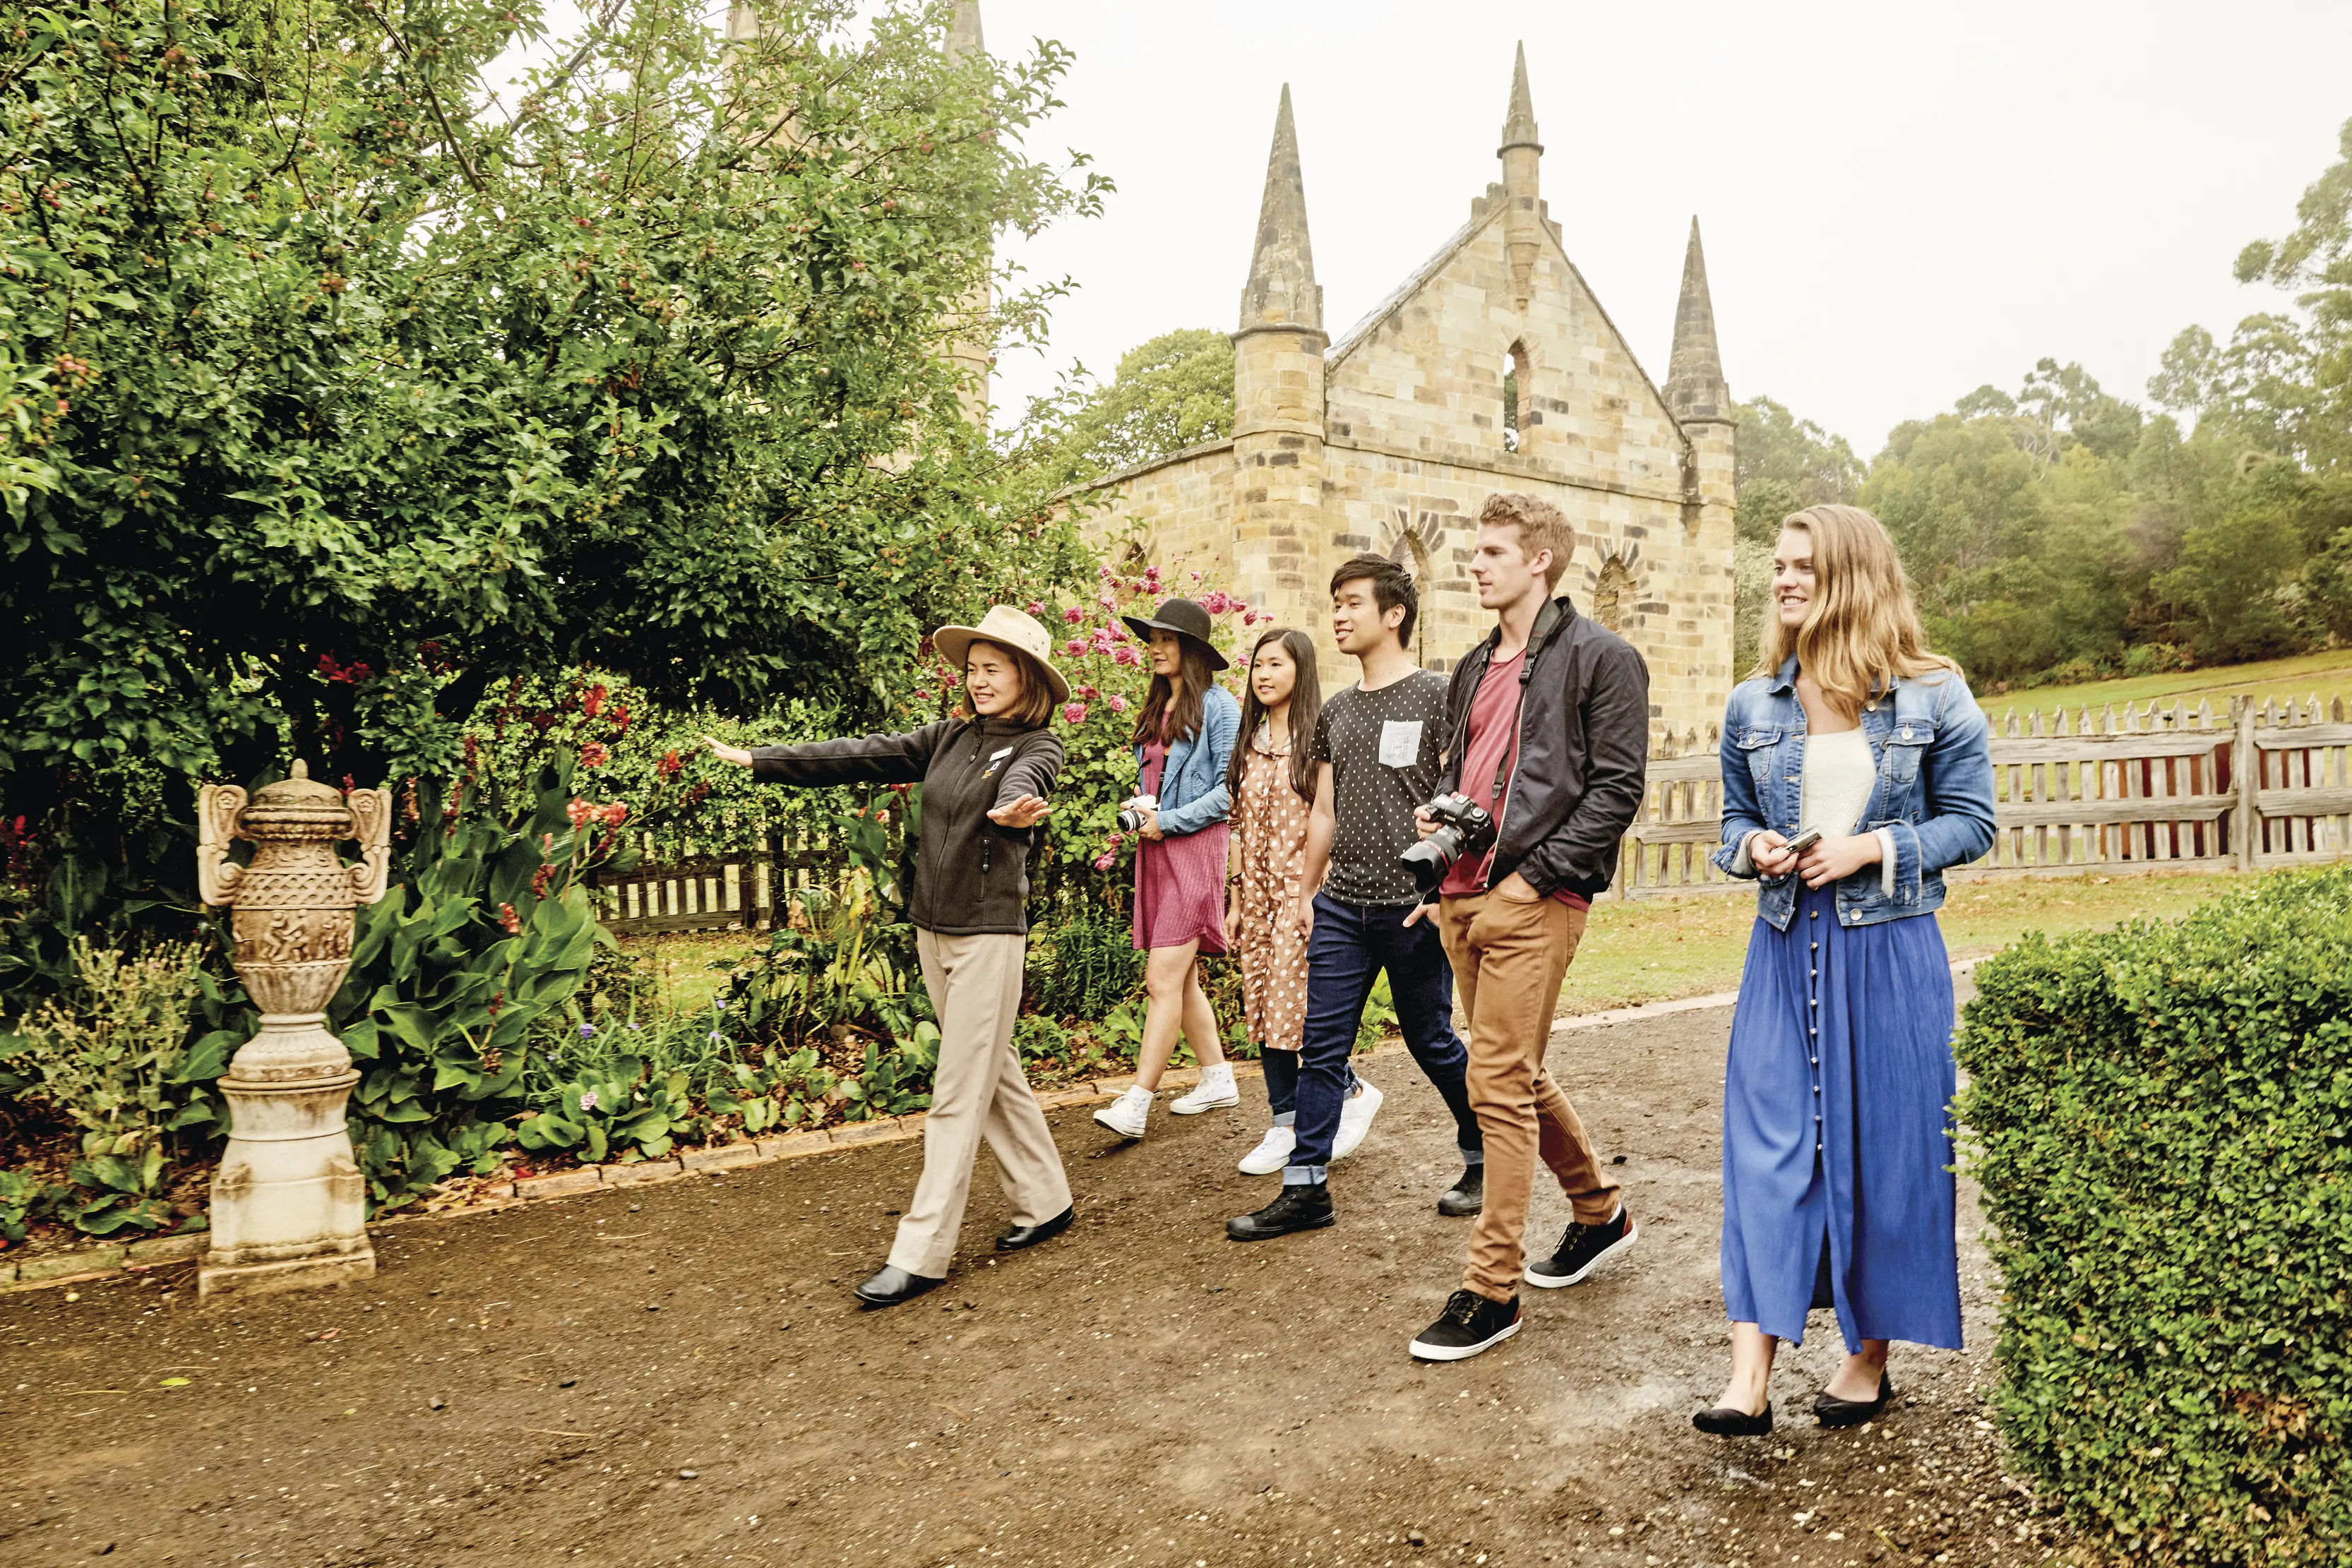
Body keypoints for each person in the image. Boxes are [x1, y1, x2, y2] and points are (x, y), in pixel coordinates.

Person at [1691, 504, 1995, 1436]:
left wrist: (1869, 846)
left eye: (1802, 568)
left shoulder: (1933, 696)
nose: (1781, 581)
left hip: (1890, 951)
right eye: (1778, 567)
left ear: (1853, 577)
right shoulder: (1753, 704)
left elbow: (1971, 822)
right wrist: (1757, 849)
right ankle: (1747, 1376)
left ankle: (1865, 1357)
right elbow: (1730, 829)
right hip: (1782, 948)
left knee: (1886, 1150)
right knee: (1766, 1151)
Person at [701, 606, 1076, 1310]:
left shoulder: (1038, 746)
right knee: (993, 1072)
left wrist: (1017, 807)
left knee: (957, 1091)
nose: (978, 680)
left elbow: (1030, 786)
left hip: (989, 935)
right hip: (932, 932)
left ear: (1026, 675)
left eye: (993, 668)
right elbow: (856, 753)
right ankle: (1046, 1199)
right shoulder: (947, 738)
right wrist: (759, 760)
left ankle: (921, 1250)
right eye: (972, 669)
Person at [1404, 492, 1651, 1363]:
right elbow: (1462, 778)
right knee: (1513, 1070)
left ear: (1539, 561)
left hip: (1535, 900)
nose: (1475, 563)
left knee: (1496, 1085)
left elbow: (1616, 791)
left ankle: (1490, 1289)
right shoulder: (1472, 664)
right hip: (1461, 898)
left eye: (1494, 551)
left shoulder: (1601, 657)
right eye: (1474, 551)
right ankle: (1599, 1213)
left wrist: (1528, 881)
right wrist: (1439, 871)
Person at [1226, 554, 1487, 1242]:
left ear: (1393, 614)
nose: (1338, 614)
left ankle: (1480, 1152)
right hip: (1342, 904)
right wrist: (1310, 891)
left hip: (1413, 906)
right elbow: (1324, 812)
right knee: (1321, 1044)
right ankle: (1306, 1185)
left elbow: (1466, 800)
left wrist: (1446, 890)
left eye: (1352, 603)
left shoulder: (1437, 696)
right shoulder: (1336, 711)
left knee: (1431, 1039)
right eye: (1334, 602)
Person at [1093, 598, 1244, 1139]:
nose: (1154, 647)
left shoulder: (1220, 706)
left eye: (1167, 639)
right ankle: (1217, 1076)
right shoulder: (1159, 705)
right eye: (1151, 638)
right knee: (1183, 979)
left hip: (1195, 850)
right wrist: (1143, 805)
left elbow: (1230, 793)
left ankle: (1136, 1103)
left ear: (1193, 649)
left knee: (1161, 979)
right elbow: (1160, 780)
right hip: (1157, 849)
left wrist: (1170, 818)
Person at [1221, 626, 1324, 1175]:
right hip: (1257, 897)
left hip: (1300, 895)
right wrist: (1237, 900)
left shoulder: (1316, 742)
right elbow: (1235, 826)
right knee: (1262, 1006)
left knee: (1292, 1006)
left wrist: (1312, 894)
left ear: (1300, 671)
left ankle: (1337, 1093)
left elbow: (1330, 824)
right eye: (1258, 664)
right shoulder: (1249, 742)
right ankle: (1282, 1122)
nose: (1263, 674)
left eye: (1276, 664)